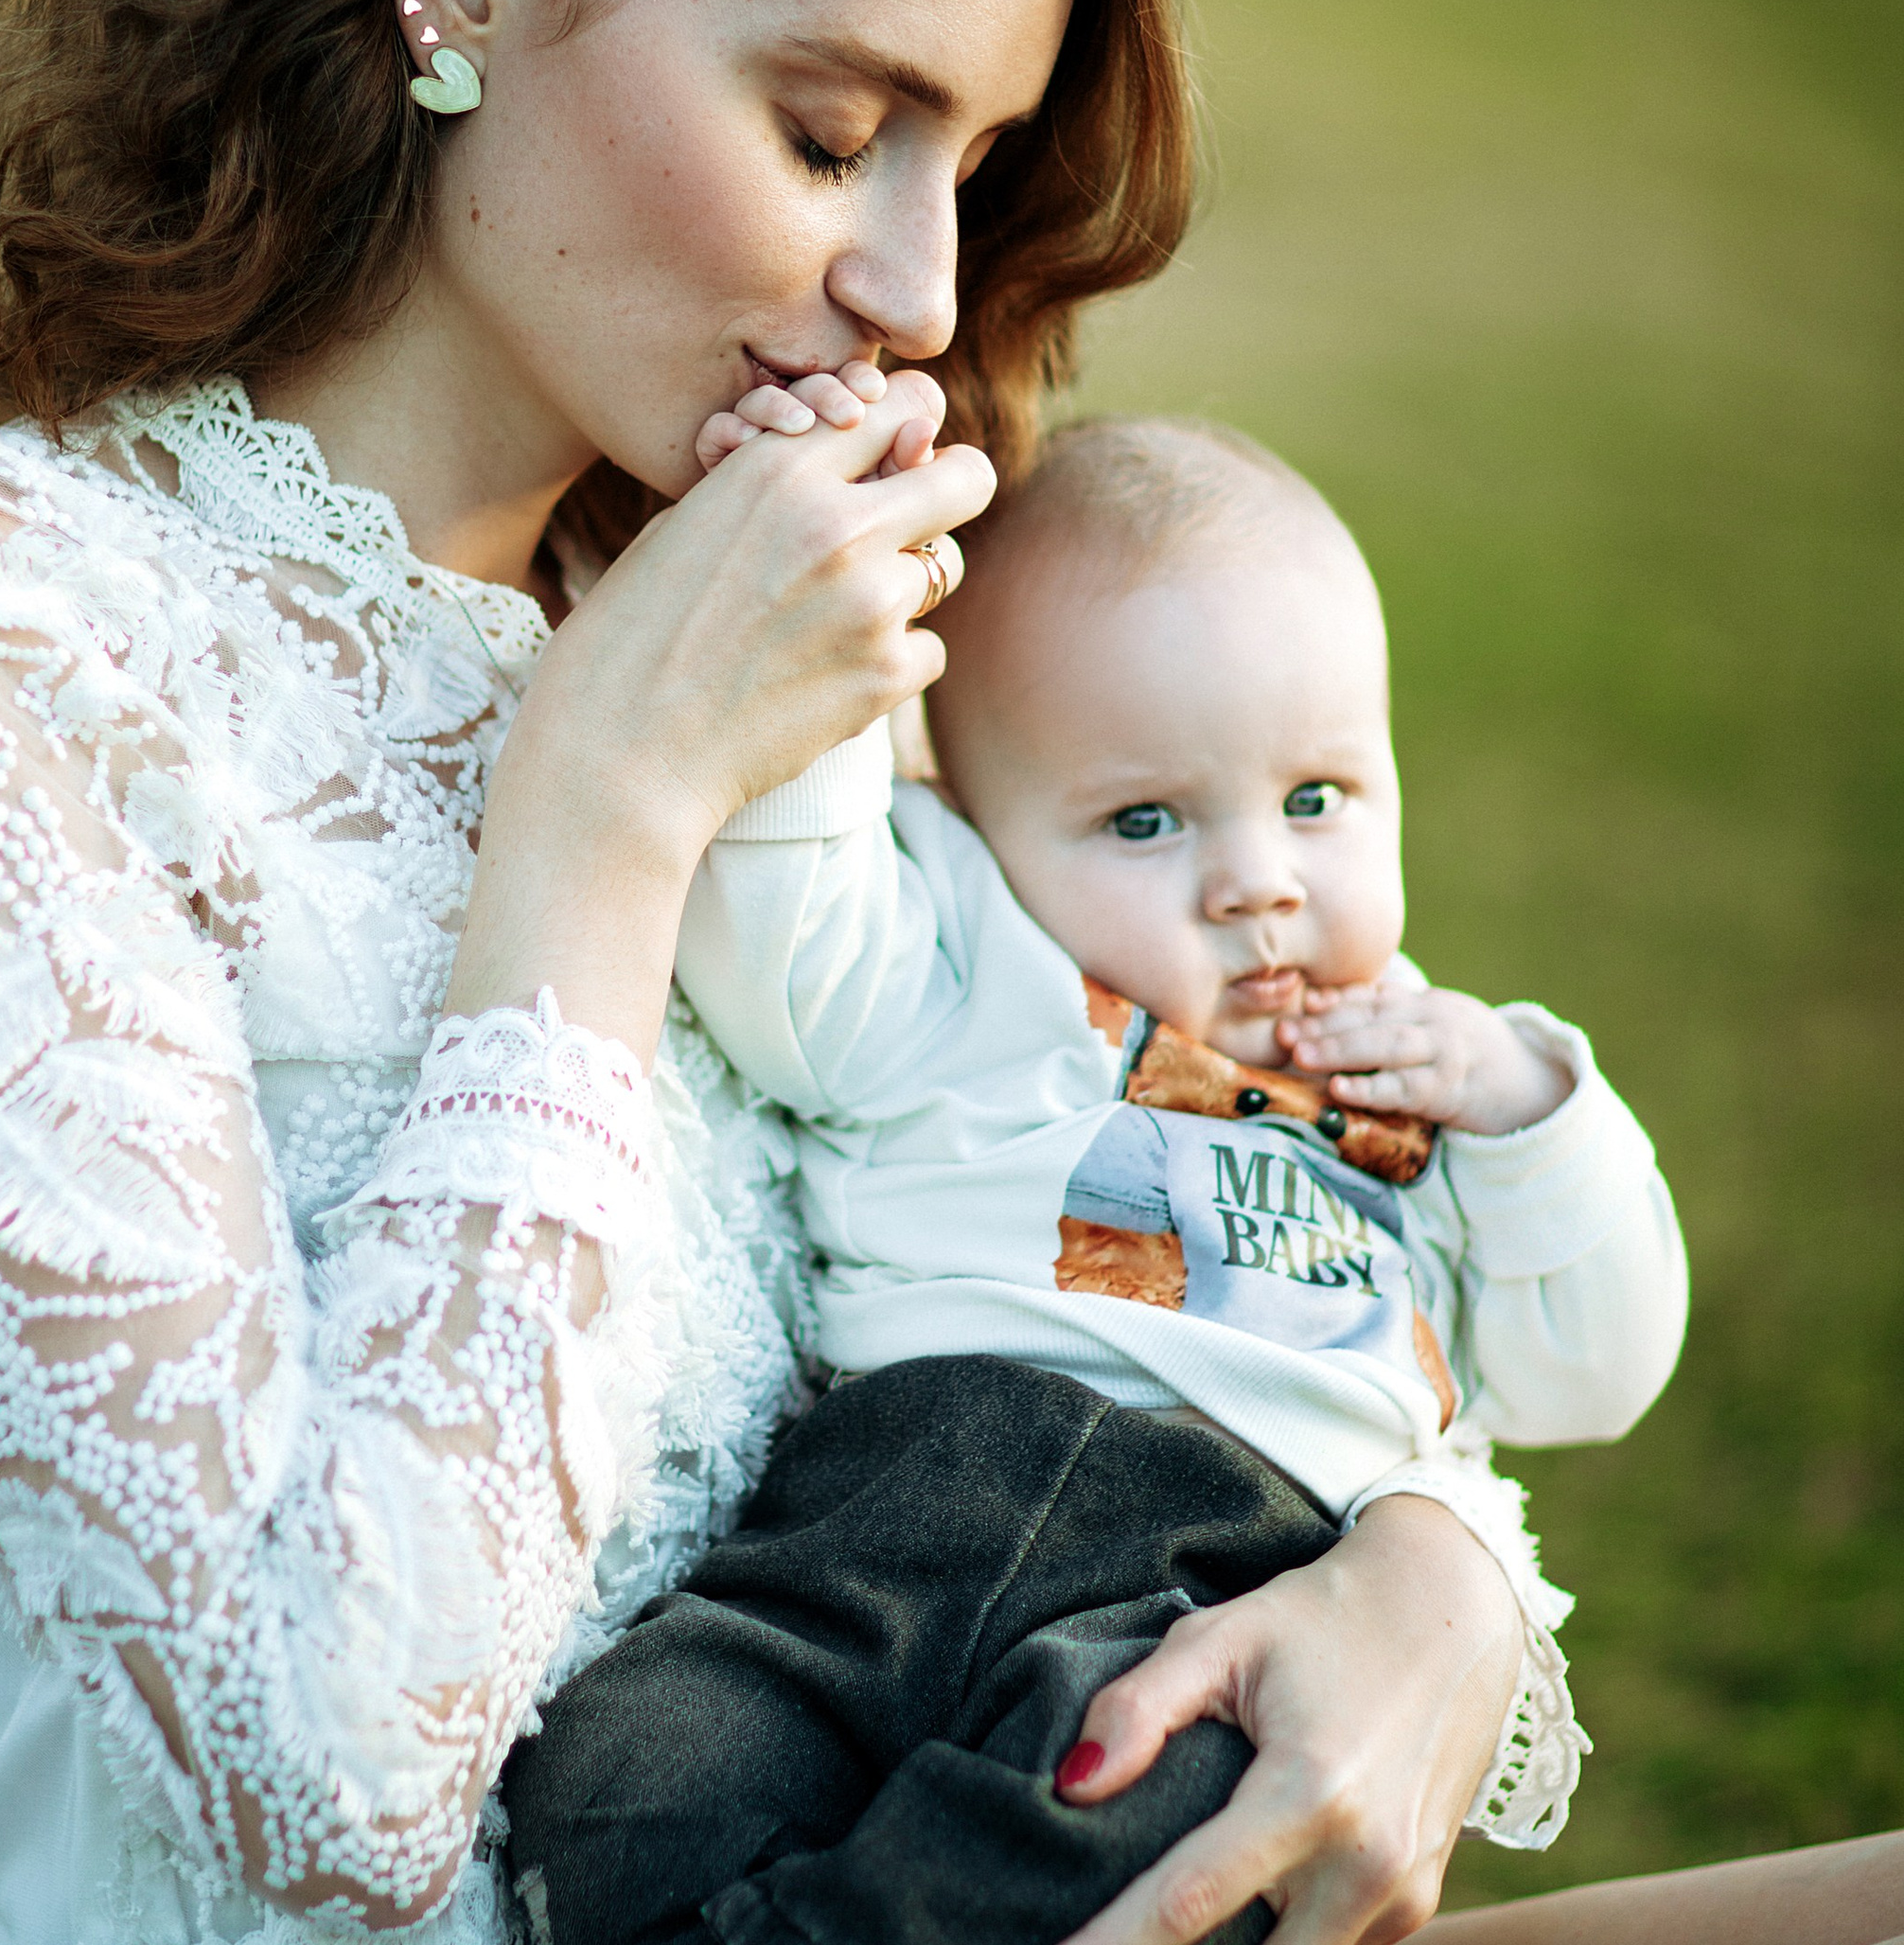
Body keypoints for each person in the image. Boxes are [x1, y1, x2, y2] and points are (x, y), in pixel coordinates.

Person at [0, 0, 1570, 1939]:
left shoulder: (787, 662)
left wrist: (1426, 1576)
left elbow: (1157, 1212)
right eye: (821, 127)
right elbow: (322, 1786)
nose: (906, 290)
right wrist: (598, 814)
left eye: (963, 171)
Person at [502, 414, 1687, 1943]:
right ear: (970, 824)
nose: (1258, 878)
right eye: (1145, 821)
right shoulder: (964, 958)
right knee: (624, 1780)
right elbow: (785, 943)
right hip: (884, 1515)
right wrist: (832, 682)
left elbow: (1597, 1366)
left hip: (1208, 1578)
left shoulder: (1421, 1088)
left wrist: (1534, 1112)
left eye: (1318, 799)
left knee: (1137, 1813)